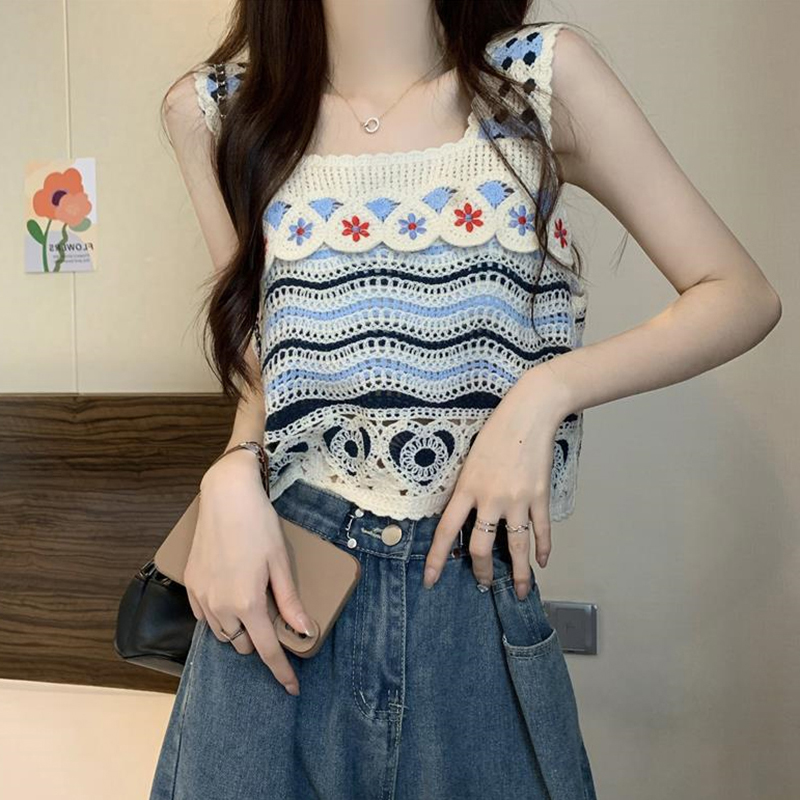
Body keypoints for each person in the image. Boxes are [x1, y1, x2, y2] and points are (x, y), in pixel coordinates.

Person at [149, 1, 782, 798]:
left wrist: (545, 392)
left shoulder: (536, 82)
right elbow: (264, 368)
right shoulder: (219, 112)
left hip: (470, 593)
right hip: (285, 593)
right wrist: (231, 471)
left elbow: (739, 294)